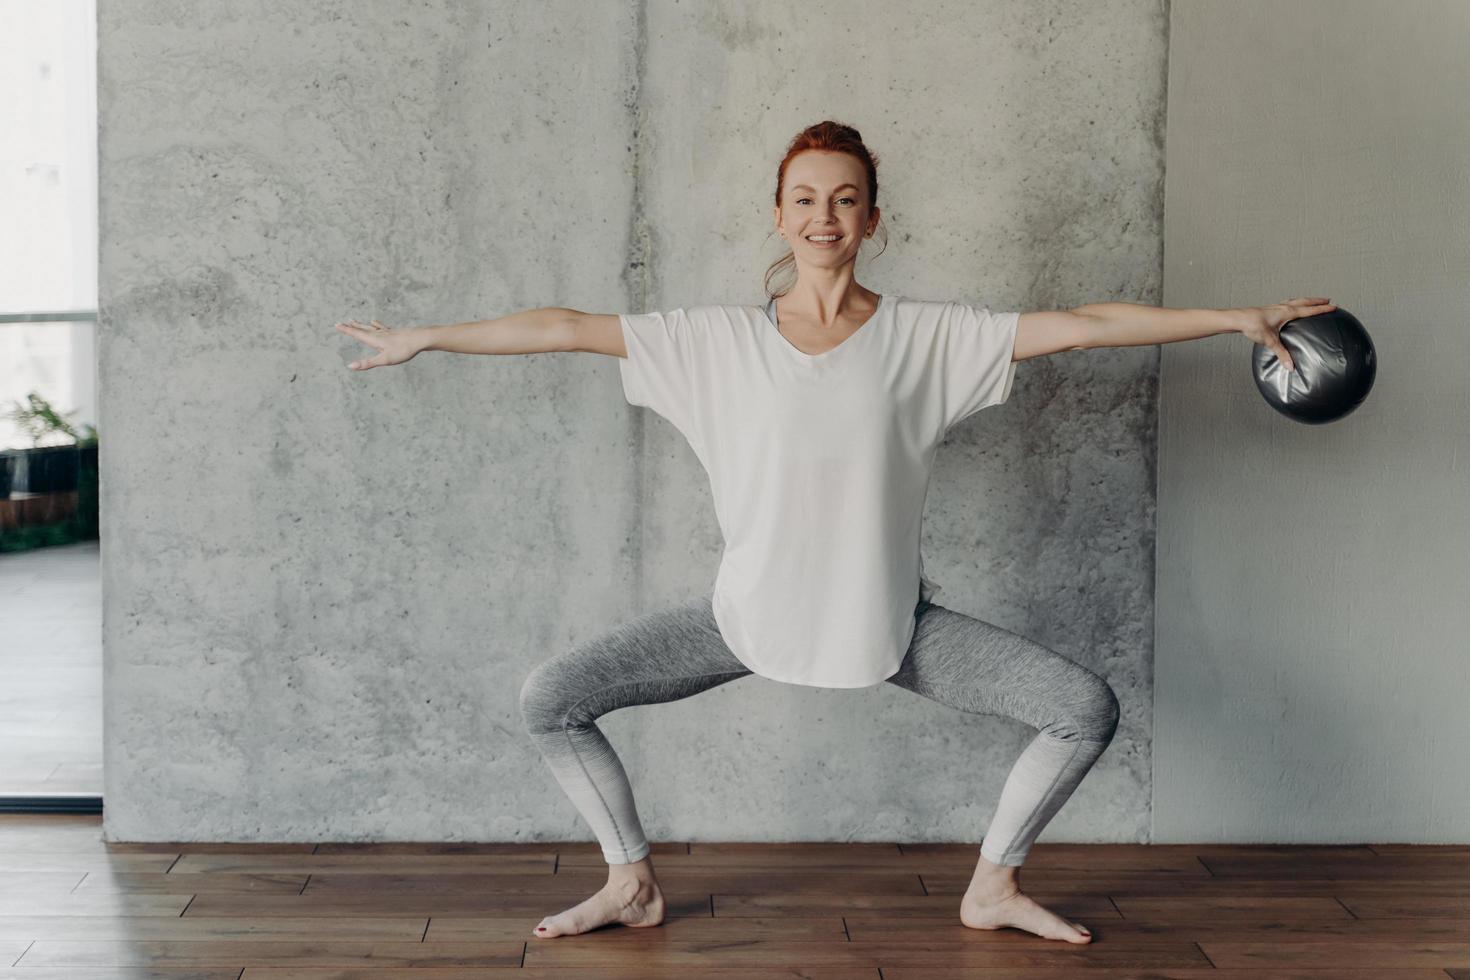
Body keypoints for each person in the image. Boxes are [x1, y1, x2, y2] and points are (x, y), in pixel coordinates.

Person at [333, 120, 1333, 946]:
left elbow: (1082, 323)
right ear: (778, 213)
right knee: (551, 696)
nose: (825, 215)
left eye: (846, 197)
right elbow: (563, 326)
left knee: (1083, 705)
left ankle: (991, 886)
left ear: (873, 220)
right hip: (743, 619)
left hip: (887, 623)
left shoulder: (928, 339)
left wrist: (1227, 316)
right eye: (806, 197)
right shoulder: (710, 342)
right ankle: (631, 881)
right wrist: (429, 336)